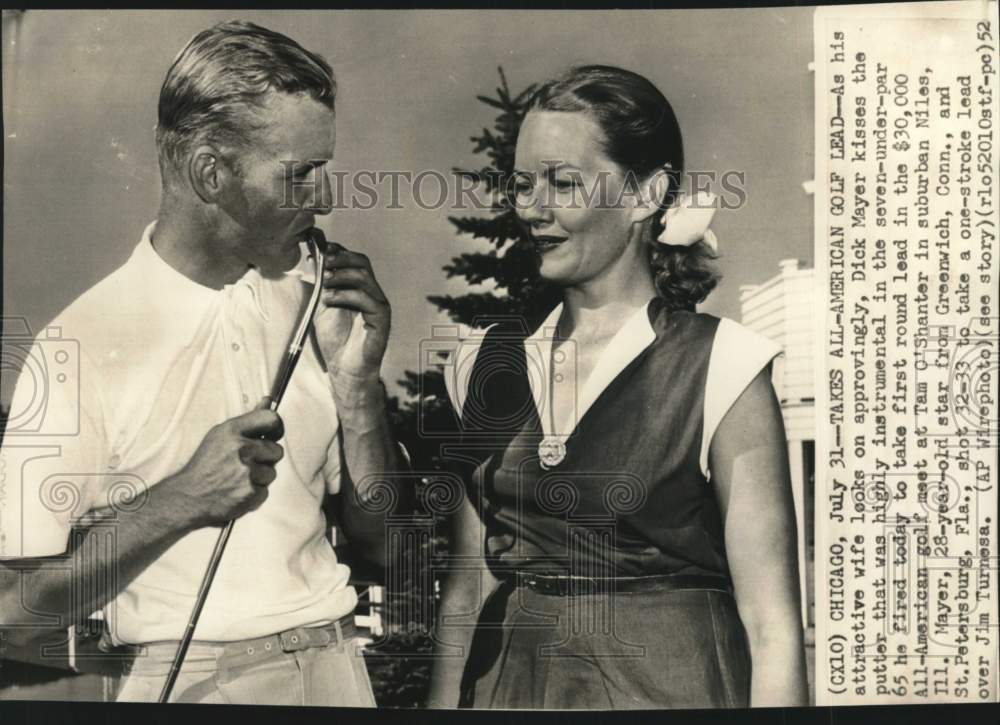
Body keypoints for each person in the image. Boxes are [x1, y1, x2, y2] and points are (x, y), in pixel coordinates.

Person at [0, 20, 407, 706]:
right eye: (299, 173)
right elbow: (14, 611)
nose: (327, 198)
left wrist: (360, 390)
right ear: (209, 172)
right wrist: (180, 501)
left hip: (339, 668)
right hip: (192, 685)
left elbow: (387, 549)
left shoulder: (314, 308)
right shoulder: (80, 344)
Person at [427, 65, 808, 709]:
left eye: (563, 182)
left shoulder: (724, 366)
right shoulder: (479, 367)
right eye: (522, 184)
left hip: (674, 688)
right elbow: (466, 590)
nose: (532, 209)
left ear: (644, 195)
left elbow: (772, 625)